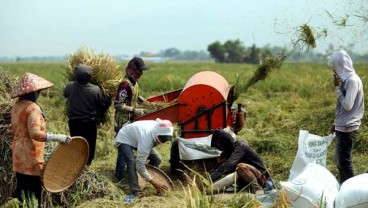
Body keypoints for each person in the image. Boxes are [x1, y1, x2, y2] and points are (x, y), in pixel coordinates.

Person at [10, 72, 70, 206]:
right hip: (31, 156)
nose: (39, 94)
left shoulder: (17, 106)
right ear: (34, 92)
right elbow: (35, 134)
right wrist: (58, 137)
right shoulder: (33, 108)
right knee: (34, 194)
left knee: (21, 189)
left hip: (18, 154)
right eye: (39, 92)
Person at [327, 50, 364, 184]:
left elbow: (348, 105)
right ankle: (344, 187)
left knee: (345, 163)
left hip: (348, 128)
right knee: (339, 161)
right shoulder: (348, 80)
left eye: (335, 68)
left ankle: (351, 191)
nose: (335, 73)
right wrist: (335, 123)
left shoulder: (353, 81)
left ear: (341, 66)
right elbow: (343, 109)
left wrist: (337, 88)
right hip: (342, 125)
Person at [64, 64, 111, 166]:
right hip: (88, 124)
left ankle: (76, 166)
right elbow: (104, 103)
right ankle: (85, 166)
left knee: (76, 146)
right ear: (90, 77)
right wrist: (109, 97)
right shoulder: (95, 90)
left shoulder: (70, 86)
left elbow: (65, 94)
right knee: (89, 147)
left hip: (73, 123)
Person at [114, 118, 173, 199]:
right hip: (125, 137)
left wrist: (148, 177)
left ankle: (144, 176)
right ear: (157, 133)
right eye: (161, 139)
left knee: (157, 159)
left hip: (138, 138)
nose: (162, 142)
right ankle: (135, 190)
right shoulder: (146, 139)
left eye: (165, 140)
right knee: (131, 161)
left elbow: (158, 120)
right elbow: (139, 165)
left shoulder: (159, 127)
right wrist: (154, 182)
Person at [114, 57, 150, 181]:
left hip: (131, 121)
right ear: (132, 70)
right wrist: (135, 110)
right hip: (122, 122)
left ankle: (125, 172)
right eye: (140, 70)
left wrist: (145, 102)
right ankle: (118, 177)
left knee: (128, 149)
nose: (142, 73)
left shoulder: (135, 82)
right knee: (123, 151)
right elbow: (118, 104)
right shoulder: (125, 84)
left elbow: (136, 95)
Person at [209, 129, 272, 194]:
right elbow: (220, 168)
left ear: (225, 142)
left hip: (262, 178)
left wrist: (210, 179)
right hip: (247, 179)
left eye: (221, 147)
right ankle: (209, 190)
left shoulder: (240, 146)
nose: (221, 149)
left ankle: (258, 190)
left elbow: (229, 164)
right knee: (232, 172)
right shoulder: (227, 153)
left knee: (241, 167)